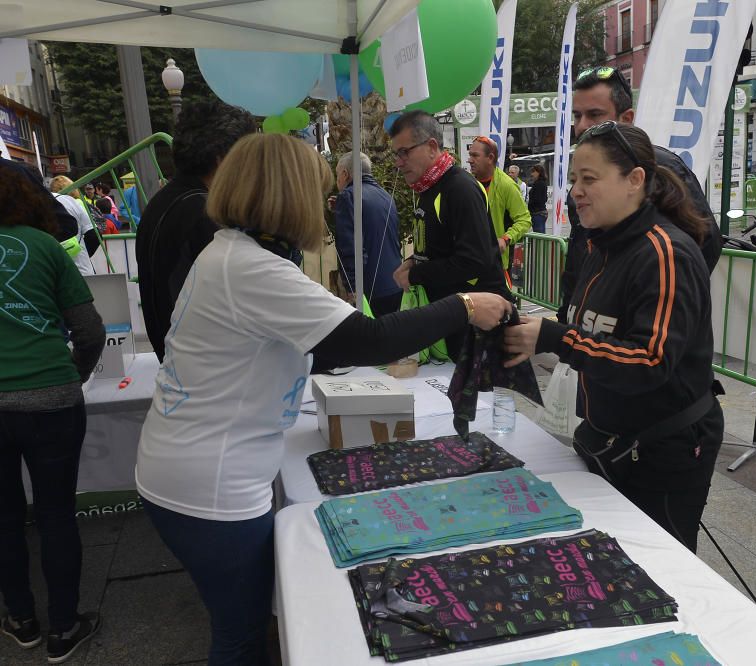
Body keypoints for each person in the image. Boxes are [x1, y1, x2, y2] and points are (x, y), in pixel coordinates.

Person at [135, 134, 511, 665]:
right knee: (240, 635)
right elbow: (372, 340)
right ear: (290, 196)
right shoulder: (252, 269)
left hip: (191, 466)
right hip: (210, 485)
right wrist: (464, 304)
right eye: (317, 192)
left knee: (245, 624)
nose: (325, 205)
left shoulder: (230, 255)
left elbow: (298, 347)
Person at [504, 122, 723, 553]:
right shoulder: (603, 245)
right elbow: (589, 329)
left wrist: (557, 338)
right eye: (572, 180)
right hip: (610, 439)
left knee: (660, 569)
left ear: (634, 180)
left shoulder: (665, 254)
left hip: (663, 450)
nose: (576, 192)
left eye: (590, 179)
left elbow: (649, 361)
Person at [0, 164, 105, 663]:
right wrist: (73, 376)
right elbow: (88, 330)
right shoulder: (44, 247)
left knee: (2, 517)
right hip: (51, 399)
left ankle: (20, 618)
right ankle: (64, 627)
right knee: (56, 513)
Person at [560, 65, 721, 323]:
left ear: (627, 118)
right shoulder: (581, 182)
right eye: (577, 116)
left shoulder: (663, 168)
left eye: (594, 115)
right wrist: (568, 315)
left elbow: (704, 244)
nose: (581, 126)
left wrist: (648, 310)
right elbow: (583, 252)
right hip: (588, 337)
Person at [136, 99, 257, 361]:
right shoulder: (203, 214)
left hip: (179, 365)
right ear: (223, 159)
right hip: (208, 371)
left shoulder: (163, 201)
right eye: (247, 157)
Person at [388, 110, 510, 360]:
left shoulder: (460, 188)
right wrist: (413, 261)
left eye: (404, 152)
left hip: (479, 327)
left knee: (482, 399)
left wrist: (415, 274)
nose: (398, 162)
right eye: (395, 154)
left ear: (432, 146)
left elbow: (474, 260)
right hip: (455, 322)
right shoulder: (428, 187)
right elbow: (439, 247)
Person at [333, 151, 403, 316]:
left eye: (337, 175)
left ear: (345, 174)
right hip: (394, 283)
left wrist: (352, 287)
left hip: (370, 289)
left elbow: (351, 247)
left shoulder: (348, 197)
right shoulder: (385, 195)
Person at [467, 135, 533, 270]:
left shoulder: (506, 185)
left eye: (475, 156)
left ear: (490, 158)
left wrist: (506, 238)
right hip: (469, 262)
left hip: (494, 265)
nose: (470, 160)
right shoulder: (467, 182)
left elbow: (524, 220)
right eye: (470, 155)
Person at [49, 175, 100, 276]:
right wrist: (83, 253)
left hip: (55, 269)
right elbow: (94, 235)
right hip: (81, 267)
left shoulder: (43, 203)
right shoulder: (76, 202)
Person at [528, 164, 549, 234]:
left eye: (533, 171)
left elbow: (538, 199)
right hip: (539, 212)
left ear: (538, 172)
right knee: (539, 235)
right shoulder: (540, 183)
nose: (532, 174)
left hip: (538, 213)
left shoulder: (539, 184)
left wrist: (529, 205)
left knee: (539, 236)